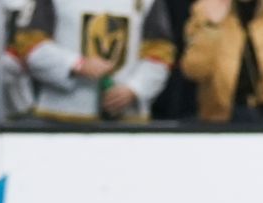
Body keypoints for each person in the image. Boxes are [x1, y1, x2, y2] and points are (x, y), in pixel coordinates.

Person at [12, 0, 177, 123]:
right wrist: (76, 64)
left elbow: (161, 51)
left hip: (127, 123)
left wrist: (135, 88)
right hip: (62, 118)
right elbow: (28, 44)